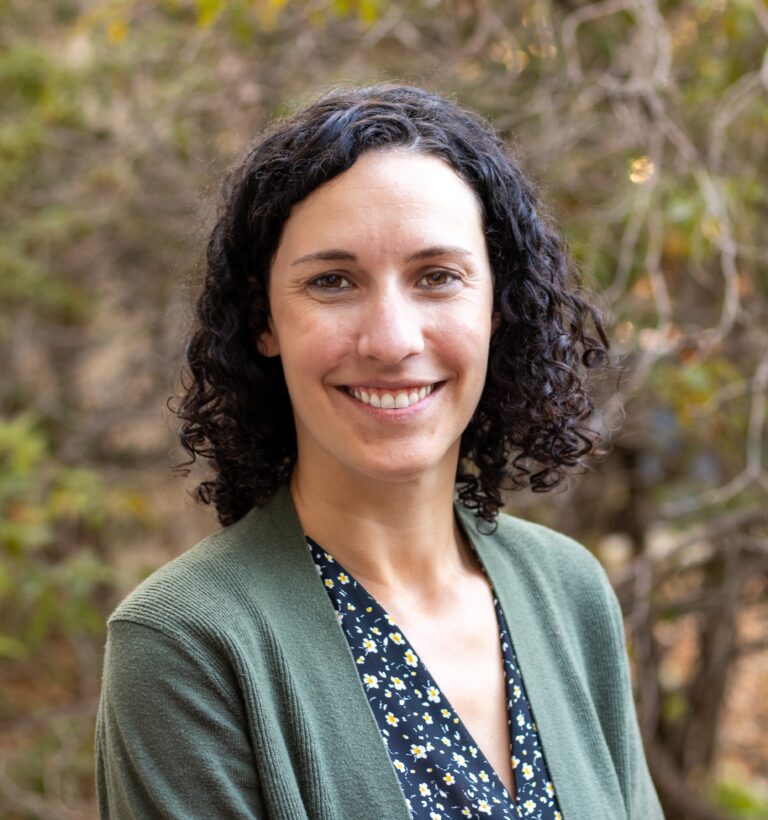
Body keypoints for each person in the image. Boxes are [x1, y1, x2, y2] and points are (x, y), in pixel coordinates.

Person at [95, 84, 664, 819]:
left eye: (437, 277)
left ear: (497, 305)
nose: (393, 340)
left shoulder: (570, 592)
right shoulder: (185, 645)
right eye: (333, 282)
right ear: (264, 319)